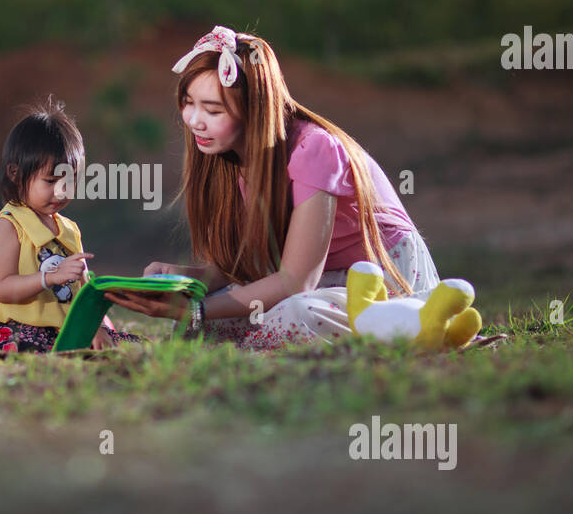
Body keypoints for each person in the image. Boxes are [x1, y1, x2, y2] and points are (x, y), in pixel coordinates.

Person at [105, 26, 439, 350]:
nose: (194, 120)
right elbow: (241, 266)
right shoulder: (229, 156)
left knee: (292, 316)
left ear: (255, 109)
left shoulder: (313, 149)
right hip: (317, 283)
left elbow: (296, 282)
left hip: (376, 280)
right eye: (188, 102)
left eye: (213, 110)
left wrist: (197, 310)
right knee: (206, 327)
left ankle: (413, 321)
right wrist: (187, 280)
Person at [0, 97, 143, 352]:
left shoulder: (69, 230)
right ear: (15, 174)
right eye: (50, 181)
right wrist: (49, 278)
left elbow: (84, 291)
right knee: (23, 347)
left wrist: (97, 327)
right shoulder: (9, 225)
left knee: (132, 345)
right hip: (19, 328)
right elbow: (2, 289)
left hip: (65, 330)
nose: (61, 192)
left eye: (69, 180)